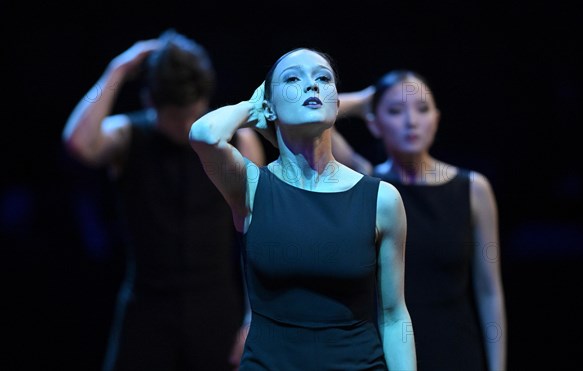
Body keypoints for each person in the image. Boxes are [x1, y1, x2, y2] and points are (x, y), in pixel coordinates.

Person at [189, 47, 417, 371]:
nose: (311, 86)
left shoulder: (381, 199)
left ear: (337, 104)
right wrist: (252, 107)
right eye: (293, 79)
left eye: (323, 79)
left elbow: (394, 316)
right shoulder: (252, 187)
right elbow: (203, 135)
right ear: (268, 106)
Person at [62, 29, 264, 371]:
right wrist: (119, 68)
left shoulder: (236, 140)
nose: (187, 125)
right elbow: (79, 144)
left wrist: (253, 318)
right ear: (150, 103)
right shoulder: (128, 135)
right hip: (147, 307)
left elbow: (259, 234)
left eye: (193, 113)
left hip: (216, 306)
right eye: (177, 118)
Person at [334, 69, 507, 371]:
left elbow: (489, 290)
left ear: (436, 119)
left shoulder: (472, 189)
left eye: (422, 109)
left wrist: (497, 366)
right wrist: (363, 100)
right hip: (385, 354)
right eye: (395, 110)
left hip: (455, 351)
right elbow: (306, 118)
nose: (411, 121)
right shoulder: (368, 181)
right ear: (374, 123)